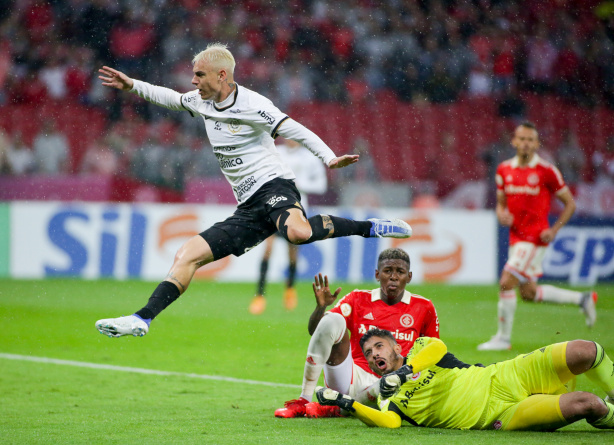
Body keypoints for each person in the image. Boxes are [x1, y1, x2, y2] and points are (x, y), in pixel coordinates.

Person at [95, 43, 412, 338]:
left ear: (222, 75)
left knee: (297, 234)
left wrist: (329, 158)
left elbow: (295, 130)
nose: (193, 81)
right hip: (247, 207)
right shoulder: (200, 101)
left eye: (199, 74)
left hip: (274, 185)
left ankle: (370, 227)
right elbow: (169, 98)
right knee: (187, 255)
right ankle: (142, 318)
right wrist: (132, 85)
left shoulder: (253, 105)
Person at [316, 328, 614, 432]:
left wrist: (404, 372)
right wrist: (347, 403)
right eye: (367, 353)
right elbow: (390, 423)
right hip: (501, 416)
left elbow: (439, 348)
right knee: (589, 404)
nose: (372, 355)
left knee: (585, 350)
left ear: (396, 346)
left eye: (378, 346)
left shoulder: (421, 348)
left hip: (505, 375)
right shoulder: (388, 398)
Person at [275, 248, 439, 418]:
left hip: (397, 384)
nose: (394, 277)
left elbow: (433, 354)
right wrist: (321, 307)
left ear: (409, 277)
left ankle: (339, 406)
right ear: (377, 274)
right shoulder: (357, 299)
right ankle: (304, 401)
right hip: (353, 379)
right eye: (388, 271)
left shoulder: (424, 307)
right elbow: (316, 331)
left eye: (400, 272)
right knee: (333, 320)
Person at [477, 122, 597, 351]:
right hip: (515, 238)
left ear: (536, 144)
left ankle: (502, 339)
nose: (525, 143)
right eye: (521, 139)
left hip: (534, 238)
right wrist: (501, 215)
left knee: (505, 282)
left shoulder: (546, 171)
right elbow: (501, 205)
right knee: (529, 293)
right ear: (514, 141)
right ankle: (582, 299)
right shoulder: (503, 169)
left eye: (530, 140)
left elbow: (570, 204)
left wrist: (554, 230)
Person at [249, 138, 328, 315]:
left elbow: (321, 185)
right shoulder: (277, 152)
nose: (292, 140)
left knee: (292, 252)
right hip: (274, 206)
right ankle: (259, 296)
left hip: (297, 208)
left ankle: (290, 290)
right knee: (267, 249)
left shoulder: (310, 158)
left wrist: (299, 185)